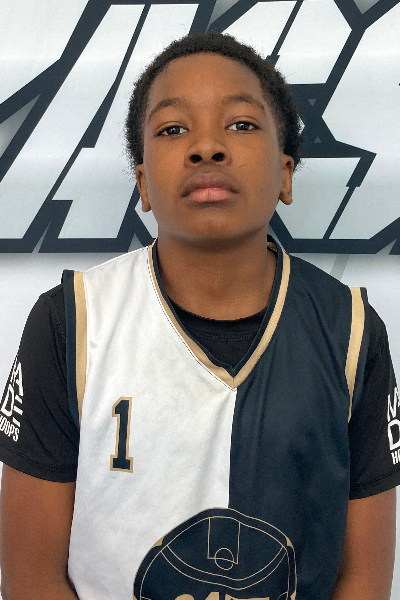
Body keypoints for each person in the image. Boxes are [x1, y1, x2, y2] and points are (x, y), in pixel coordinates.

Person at [0, 31, 398, 600]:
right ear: (143, 183)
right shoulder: (69, 324)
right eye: (172, 129)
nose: (206, 147)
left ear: (286, 173)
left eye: (241, 124)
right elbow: (30, 578)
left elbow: (362, 578)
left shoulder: (352, 331)